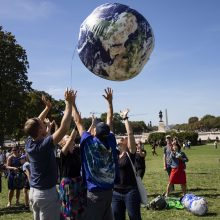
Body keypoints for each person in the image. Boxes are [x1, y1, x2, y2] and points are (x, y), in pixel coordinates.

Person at [24, 91, 74, 220]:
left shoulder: (29, 142)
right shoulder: (44, 145)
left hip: (34, 193)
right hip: (46, 194)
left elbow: (36, 123)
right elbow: (64, 128)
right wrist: (68, 103)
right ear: (40, 130)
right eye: (42, 124)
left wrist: (47, 108)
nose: (43, 122)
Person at [72, 88, 118, 220]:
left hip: (94, 193)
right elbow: (110, 119)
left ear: (94, 133)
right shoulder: (110, 140)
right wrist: (110, 102)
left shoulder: (88, 143)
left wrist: (73, 103)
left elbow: (78, 122)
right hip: (109, 191)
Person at [112, 109, 142, 220]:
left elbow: (130, 133)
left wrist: (125, 119)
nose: (122, 137)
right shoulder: (114, 154)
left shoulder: (131, 153)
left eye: (124, 137)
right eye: (121, 137)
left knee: (134, 217)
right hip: (115, 192)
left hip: (130, 191)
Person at [59, 126, 86, 220]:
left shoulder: (76, 152)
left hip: (78, 182)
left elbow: (85, 137)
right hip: (68, 184)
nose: (70, 139)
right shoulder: (63, 153)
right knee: (69, 208)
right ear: (63, 143)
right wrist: (76, 126)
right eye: (66, 138)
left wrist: (92, 125)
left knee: (79, 207)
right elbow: (71, 138)